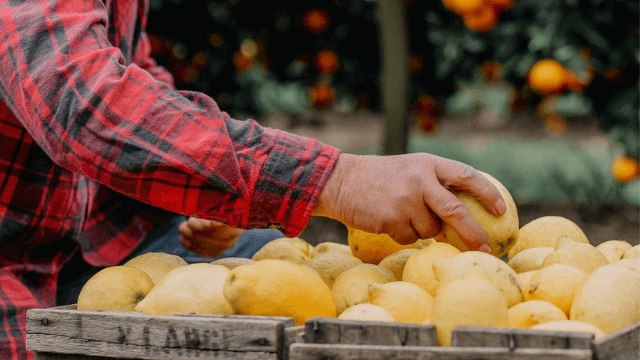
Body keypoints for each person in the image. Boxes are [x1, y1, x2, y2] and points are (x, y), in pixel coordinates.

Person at [0, 0, 506, 359]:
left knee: (268, 256)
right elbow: (83, 100)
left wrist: (201, 194)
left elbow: (134, 73)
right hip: (13, 266)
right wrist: (339, 178)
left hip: (90, 236)